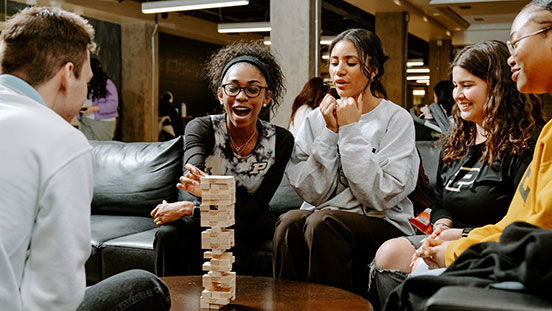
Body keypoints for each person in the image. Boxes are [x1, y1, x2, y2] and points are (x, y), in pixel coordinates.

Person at [0, 7, 170, 311]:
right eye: (86, 80)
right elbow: (57, 294)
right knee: (145, 287)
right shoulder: (61, 141)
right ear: (67, 75)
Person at [370, 40, 545, 308]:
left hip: (490, 242)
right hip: (450, 236)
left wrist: (459, 237)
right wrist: (440, 229)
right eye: (455, 85)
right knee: (388, 254)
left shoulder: (525, 144)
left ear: (497, 87)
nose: (457, 95)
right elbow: (440, 202)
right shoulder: (457, 142)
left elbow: (521, 221)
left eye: (467, 85)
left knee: (419, 265)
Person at [272, 28, 419, 295]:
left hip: (382, 221)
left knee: (322, 223)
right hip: (326, 216)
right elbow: (311, 191)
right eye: (334, 62)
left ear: (372, 69)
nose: (339, 70)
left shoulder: (396, 119)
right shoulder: (317, 118)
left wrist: (350, 130)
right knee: (289, 222)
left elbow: (379, 196)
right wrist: (330, 133)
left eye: (351, 63)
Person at [151, 40, 294, 276]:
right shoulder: (202, 128)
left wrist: (190, 208)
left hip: (249, 221)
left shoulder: (280, 139)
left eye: (253, 89)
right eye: (233, 88)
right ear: (220, 94)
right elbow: (193, 176)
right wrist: (203, 199)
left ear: (266, 97)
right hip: (207, 217)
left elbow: (254, 208)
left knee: (231, 232)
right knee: (167, 235)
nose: (242, 96)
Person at [79, 57, 119, 140]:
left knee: (103, 147)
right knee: (87, 146)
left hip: (103, 121)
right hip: (85, 119)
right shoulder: (83, 82)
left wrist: (94, 108)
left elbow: (113, 104)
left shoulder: (107, 84)